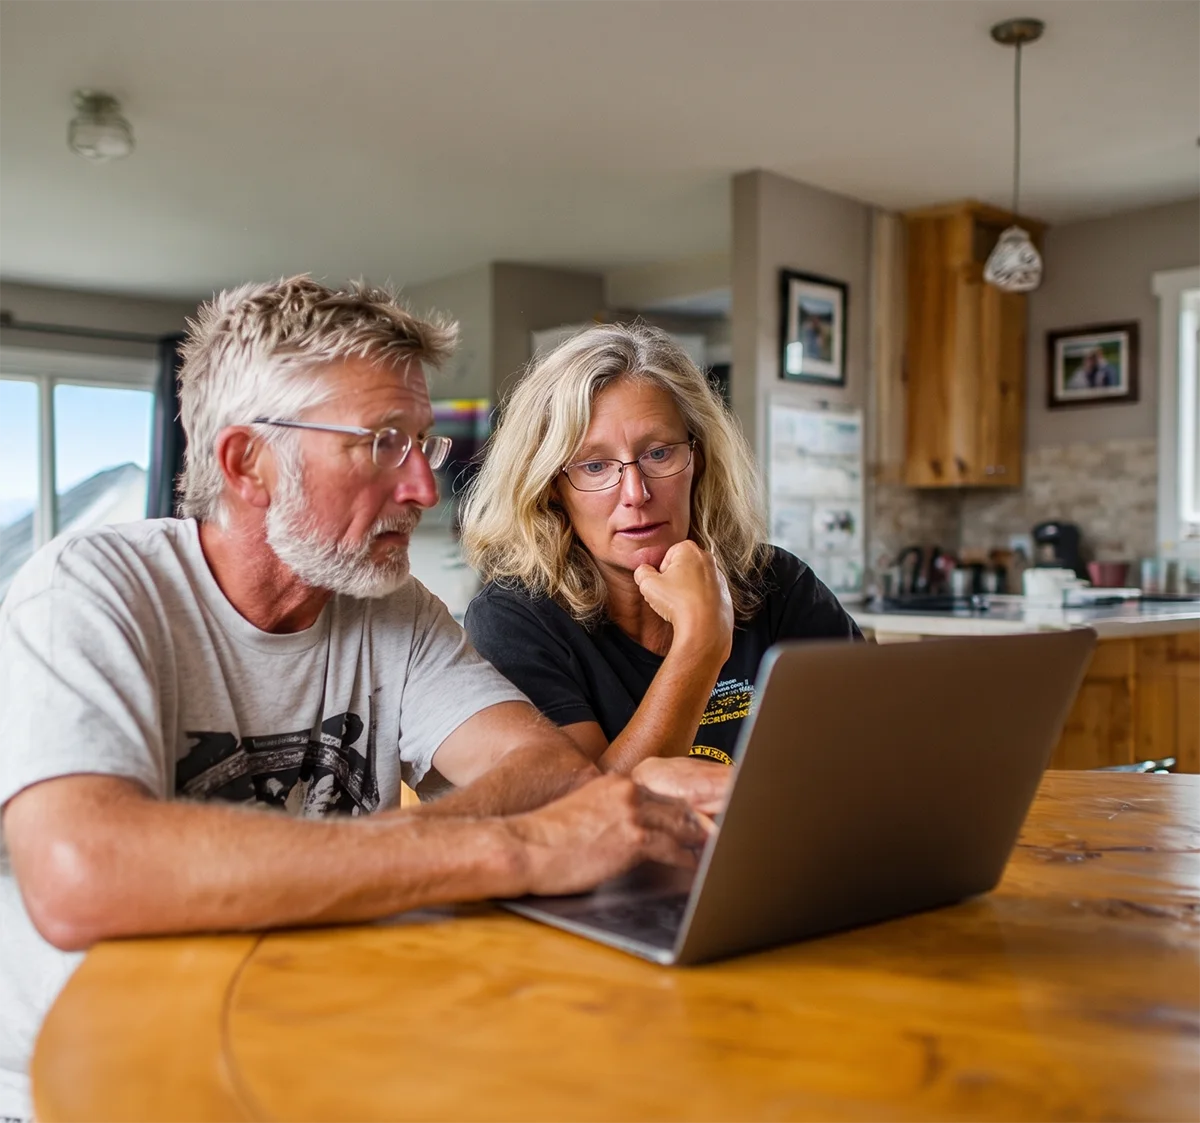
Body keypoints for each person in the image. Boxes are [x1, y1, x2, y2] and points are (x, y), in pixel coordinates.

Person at [0, 279, 709, 1122]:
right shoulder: (92, 589)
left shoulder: (394, 608)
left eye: (424, 444)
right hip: (102, 1073)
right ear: (246, 463)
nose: (422, 488)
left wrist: (392, 851)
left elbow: (548, 768)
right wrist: (507, 846)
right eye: (381, 443)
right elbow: (82, 873)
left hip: (329, 1038)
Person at [461, 322, 861, 779]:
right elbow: (587, 822)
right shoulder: (514, 621)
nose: (635, 492)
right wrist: (700, 645)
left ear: (699, 458)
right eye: (595, 465)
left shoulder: (778, 584)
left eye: (658, 454)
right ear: (552, 487)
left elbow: (879, 743)